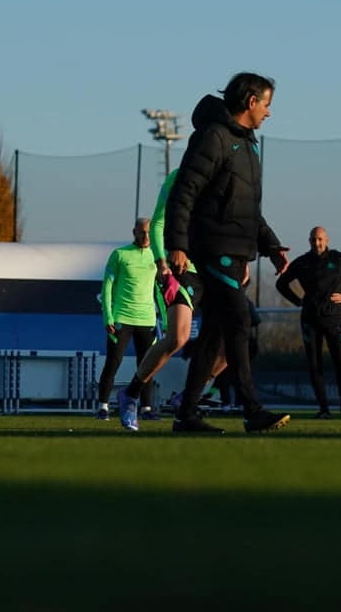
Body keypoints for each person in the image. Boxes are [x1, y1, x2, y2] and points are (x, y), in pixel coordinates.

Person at [164, 72, 291, 434]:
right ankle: (252, 410)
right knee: (239, 322)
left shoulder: (248, 145)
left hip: (237, 253)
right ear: (251, 102)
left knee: (214, 337)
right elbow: (184, 192)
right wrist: (177, 244)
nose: (269, 112)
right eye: (267, 104)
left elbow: (246, 208)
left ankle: (185, 414)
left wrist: (271, 245)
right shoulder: (214, 137)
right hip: (212, 250)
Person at [115, 170, 229, 432]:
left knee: (233, 344)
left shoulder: (227, 178)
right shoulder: (180, 177)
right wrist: (161, 261)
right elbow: (157, 223)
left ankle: (188, 397)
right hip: (180, 269)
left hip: (212, 268)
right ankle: (131, 394)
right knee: (178, 337)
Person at [276, 226, 341, 417]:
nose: (317, 243)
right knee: (314, 365)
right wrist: (298, 301)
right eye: (313, 239)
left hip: (336, 320)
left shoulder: (338, 259)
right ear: (309, 240)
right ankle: (324, 409)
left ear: (327, 239)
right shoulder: (302, 262)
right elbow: (281, 284)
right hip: (310, 320)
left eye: (320, 239)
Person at [96, 218, 158, 421]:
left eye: (149, 233)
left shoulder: (157, 256)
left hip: (147, 320)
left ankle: (147, 408)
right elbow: (107, 287)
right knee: (113, 362)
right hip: (122, 317)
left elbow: (159, 291)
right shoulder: (119, 255)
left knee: (147, 365)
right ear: (134, 232)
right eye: (142, 233)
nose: (146, 237)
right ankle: (103, 406)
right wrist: (108, 316)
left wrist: (164, 320)